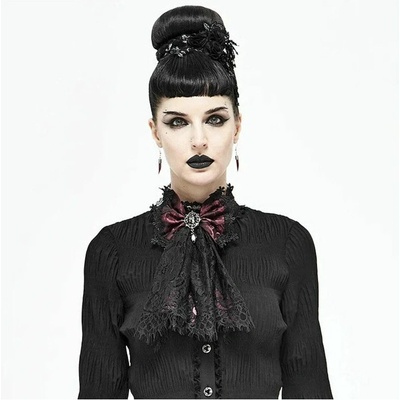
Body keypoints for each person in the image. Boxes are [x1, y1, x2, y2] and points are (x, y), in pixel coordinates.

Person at [78, 5, 333, 399]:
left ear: (237, 125)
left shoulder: (288, 243)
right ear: (155, 131)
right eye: (177, 121)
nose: (198, 140)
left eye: (215, 119)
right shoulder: (112, 252)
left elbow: (310, 388)